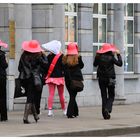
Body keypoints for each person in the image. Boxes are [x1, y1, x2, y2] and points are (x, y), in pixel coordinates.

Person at [18, 40, 48, 124]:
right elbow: (46, 65)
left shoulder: (23, 56)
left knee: (31, 97)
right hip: (33, 79)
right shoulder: (38, 56)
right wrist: (43, 55)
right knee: (30, 98)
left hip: (24, 79)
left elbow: (19, 68)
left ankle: (36, 116)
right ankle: (25, 117)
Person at [93, 43, 123, 120]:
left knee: (104, 96)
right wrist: (118, 55)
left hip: (101, 78)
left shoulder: (99, 57)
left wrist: (97, 55)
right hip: (111, 78)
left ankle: (105, 114)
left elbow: (95, 65)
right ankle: (107, 108)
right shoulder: (112, 57)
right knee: (111, 95)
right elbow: (120, 64)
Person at [42, 40, 67, 116]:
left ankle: (50, 111)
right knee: (61, 95)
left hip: (51, 77)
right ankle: (64, 110)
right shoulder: (62, 56)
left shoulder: (48, 56)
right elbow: (64, 67)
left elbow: (46, 67)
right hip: (60, 77)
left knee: (51, 94)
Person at [62, 43, 84, 118]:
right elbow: (81, 66)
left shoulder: (65, 58)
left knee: (72, 96)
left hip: (68, 80)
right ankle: (69, 113)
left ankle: (75, 112)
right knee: (72, 97)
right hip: (76, 80)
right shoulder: (77, 58)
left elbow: (63, 69)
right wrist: (79, 57)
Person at [0, 40, 8, 122]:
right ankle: (3, 116)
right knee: (2, 96)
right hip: (1, 77)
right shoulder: (2, 54)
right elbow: (5, 65)